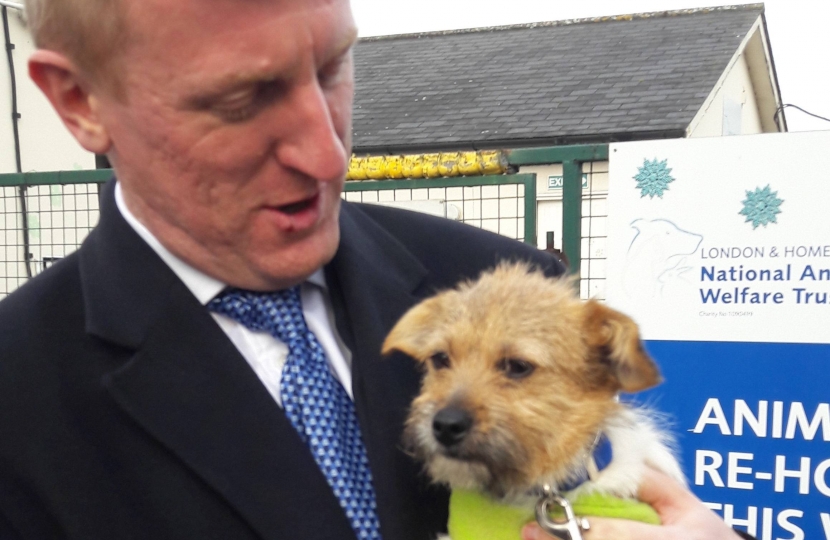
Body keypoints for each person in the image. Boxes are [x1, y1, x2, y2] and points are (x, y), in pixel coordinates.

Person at [0, 0, 747, 539]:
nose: (329, 155)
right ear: (80, 102)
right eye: (240, 99)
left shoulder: (488, 277)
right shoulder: (20, 391)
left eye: (331, 68)